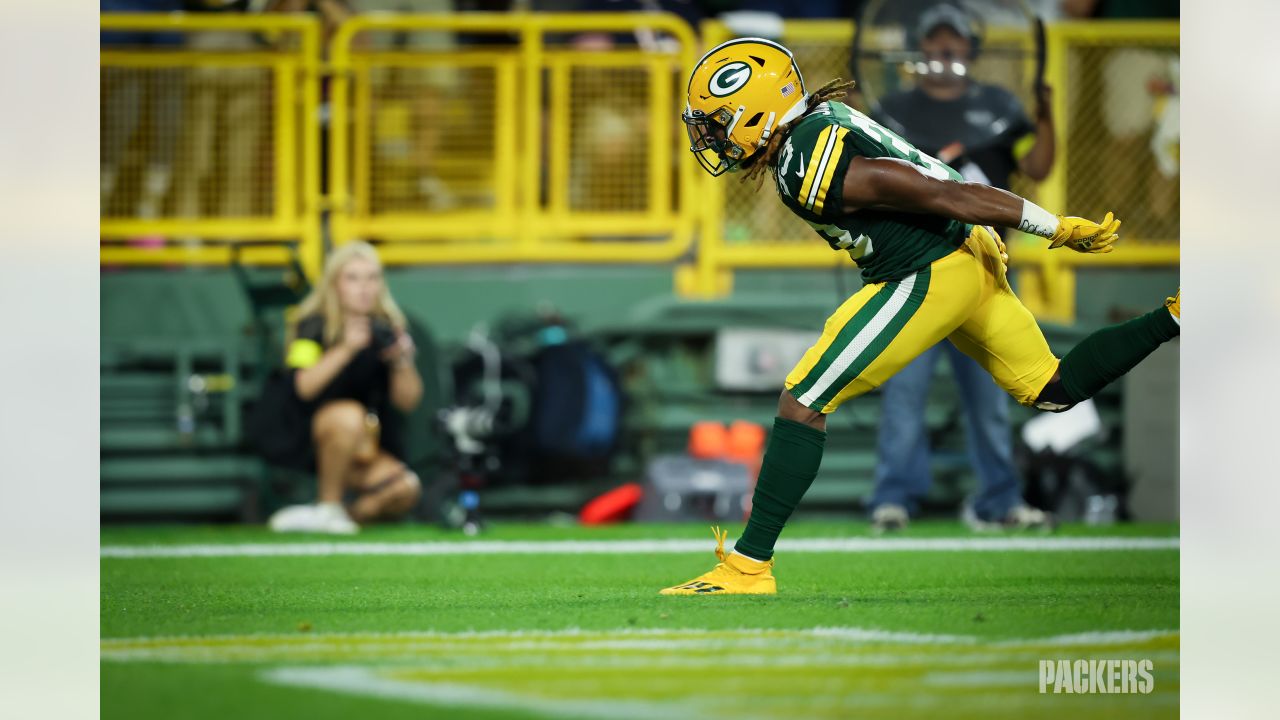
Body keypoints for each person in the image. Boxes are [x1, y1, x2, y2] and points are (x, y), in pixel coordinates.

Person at [662, 38, 1178, 595]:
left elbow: (940, 193)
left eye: (717, 123)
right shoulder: (818, 122)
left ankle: (747, 567)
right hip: (960, 257)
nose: (710, 137)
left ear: (756, 112)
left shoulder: (804, 157)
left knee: (804, 399)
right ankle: (1175, 314)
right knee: (1052, 388)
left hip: (926, 271)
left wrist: (1050, 225)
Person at [867, 4, 1055, 532]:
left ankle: (1000, 498)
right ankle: (893, 499)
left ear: (970, 49)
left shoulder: (997, 106)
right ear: (920, 50)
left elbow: (1037, 168)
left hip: (986, 274)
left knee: (991, 401)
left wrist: (1045, 116)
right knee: (904, 394)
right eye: (935, 42)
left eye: (954, 42)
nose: (944, 50)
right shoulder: (895, 112)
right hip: (917, 268)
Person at [266, 242, 424, 534]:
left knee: (405, 489)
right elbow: (303, 387)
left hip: (364, 444)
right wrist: (346, 349)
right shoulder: (312, 325)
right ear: (335, 284)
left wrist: (402, 362)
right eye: (353, 278)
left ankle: (336, 517)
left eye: (372, 278)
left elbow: (408, 401)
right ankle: (328, 505)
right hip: (309, 437)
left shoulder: (389, 327)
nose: (364, 287)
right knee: (347, 415)